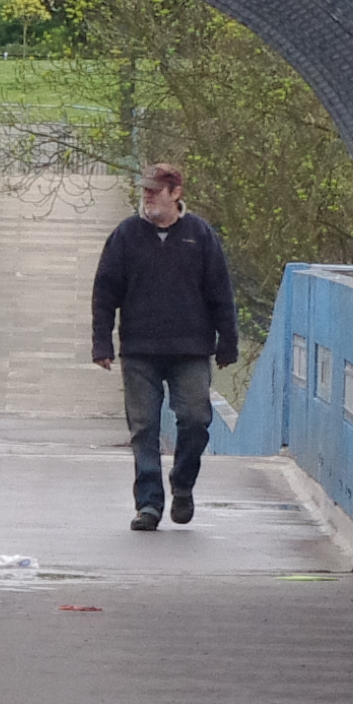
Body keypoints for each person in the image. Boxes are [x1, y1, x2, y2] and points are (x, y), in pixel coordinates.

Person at [92, 160, 238, 531]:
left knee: (195, 420)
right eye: (145, 191)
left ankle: (183, 484)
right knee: (144, 428)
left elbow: (220, 292)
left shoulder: (200, 235)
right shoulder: (126, 235)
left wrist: (227, 342)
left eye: (155, 191)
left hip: (190, 349)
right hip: (140, 349)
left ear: (176, 194)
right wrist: (101, 341)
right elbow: (105, 292)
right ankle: (149, 505)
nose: (148, 198)